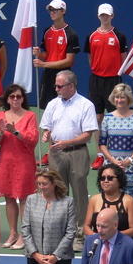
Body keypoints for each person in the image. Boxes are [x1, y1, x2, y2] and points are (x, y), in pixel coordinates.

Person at [39, 70, 98, 252]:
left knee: (80, 193)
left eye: (60, 86)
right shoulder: (52, 104)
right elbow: (47, 129)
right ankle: (61, 234)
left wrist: (67, 143)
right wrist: (47, 134)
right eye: (55, 86)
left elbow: (88, 134)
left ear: (71, 86)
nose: (56, 89)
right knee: (57, 193)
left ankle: (80, 235)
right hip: (56, 153)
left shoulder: (85, 105)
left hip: (77, 152)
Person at [0, 84, 38, 249]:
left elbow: (33, 139)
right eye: (12, 96)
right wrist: (2, 133)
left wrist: (15, 131)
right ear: (7, 99)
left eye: (19, 96)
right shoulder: (1, 115)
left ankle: (24, 234)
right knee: (9, 197)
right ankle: (12, 232)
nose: (15, 99)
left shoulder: (30, 115)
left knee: (24, 198)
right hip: (6, 160)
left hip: (24, 160)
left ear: (23, 99)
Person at [85, 3, 128, 165]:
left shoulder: (119, 36)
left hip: (113, 81)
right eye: (102, 15)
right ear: (98, 16)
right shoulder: (91, 36)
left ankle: (115, 152)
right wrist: (98, 71)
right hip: (96, 80)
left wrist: (114, 74)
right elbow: (91, 58)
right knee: (98, 117)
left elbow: (124, 59)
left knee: (115, 117)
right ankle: (100, 154)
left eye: (107, 15)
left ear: (112, 16)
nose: (104, 17)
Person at [97, 83, 133, 197]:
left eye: (122, 97)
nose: (119, 100)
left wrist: (129, 161)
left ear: (128, 99)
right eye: (117, 97)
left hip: (131, 168)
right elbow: (102, 143)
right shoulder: (107, 118)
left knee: (128, 202)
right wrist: (113, 161)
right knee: (108, 200)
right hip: (110, 167)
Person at [32, 0, 80, 109]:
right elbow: (47, 55)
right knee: (48, 107)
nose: (52, 13)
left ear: (63, 11)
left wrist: (44, 64)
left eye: (55, 10)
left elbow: (69, 61)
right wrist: (39, 54)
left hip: (64, 75)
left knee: (65, 106)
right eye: (50, 10)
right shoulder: (47, 31)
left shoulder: (71, 34)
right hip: (48, 75)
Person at [83, 163, 133, 238]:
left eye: (110, 178)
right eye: (102, 178)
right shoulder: (94, 199)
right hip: (99, 242)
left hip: (121, 242)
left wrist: (112, 236)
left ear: (119, 180)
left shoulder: (128, 200)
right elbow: (86, 227)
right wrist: (96, 236)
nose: (105, 181)